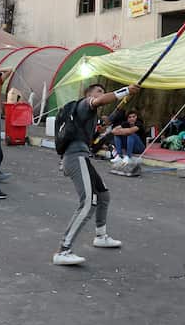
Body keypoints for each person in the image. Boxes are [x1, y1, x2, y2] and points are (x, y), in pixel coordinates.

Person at [53, 82, 138, 266]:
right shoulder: (84, 104)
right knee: (88, 202)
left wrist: (109, 133)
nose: (102, 94)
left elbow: (96, 140)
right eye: (98, 91)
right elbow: (99, 101)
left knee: (103, 195)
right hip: (75, 158)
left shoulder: (89, 119)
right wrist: (124, 91)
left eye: (102, 91)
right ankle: (63, 250)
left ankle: (100, 235)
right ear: (89, 94)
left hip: (82, 156)